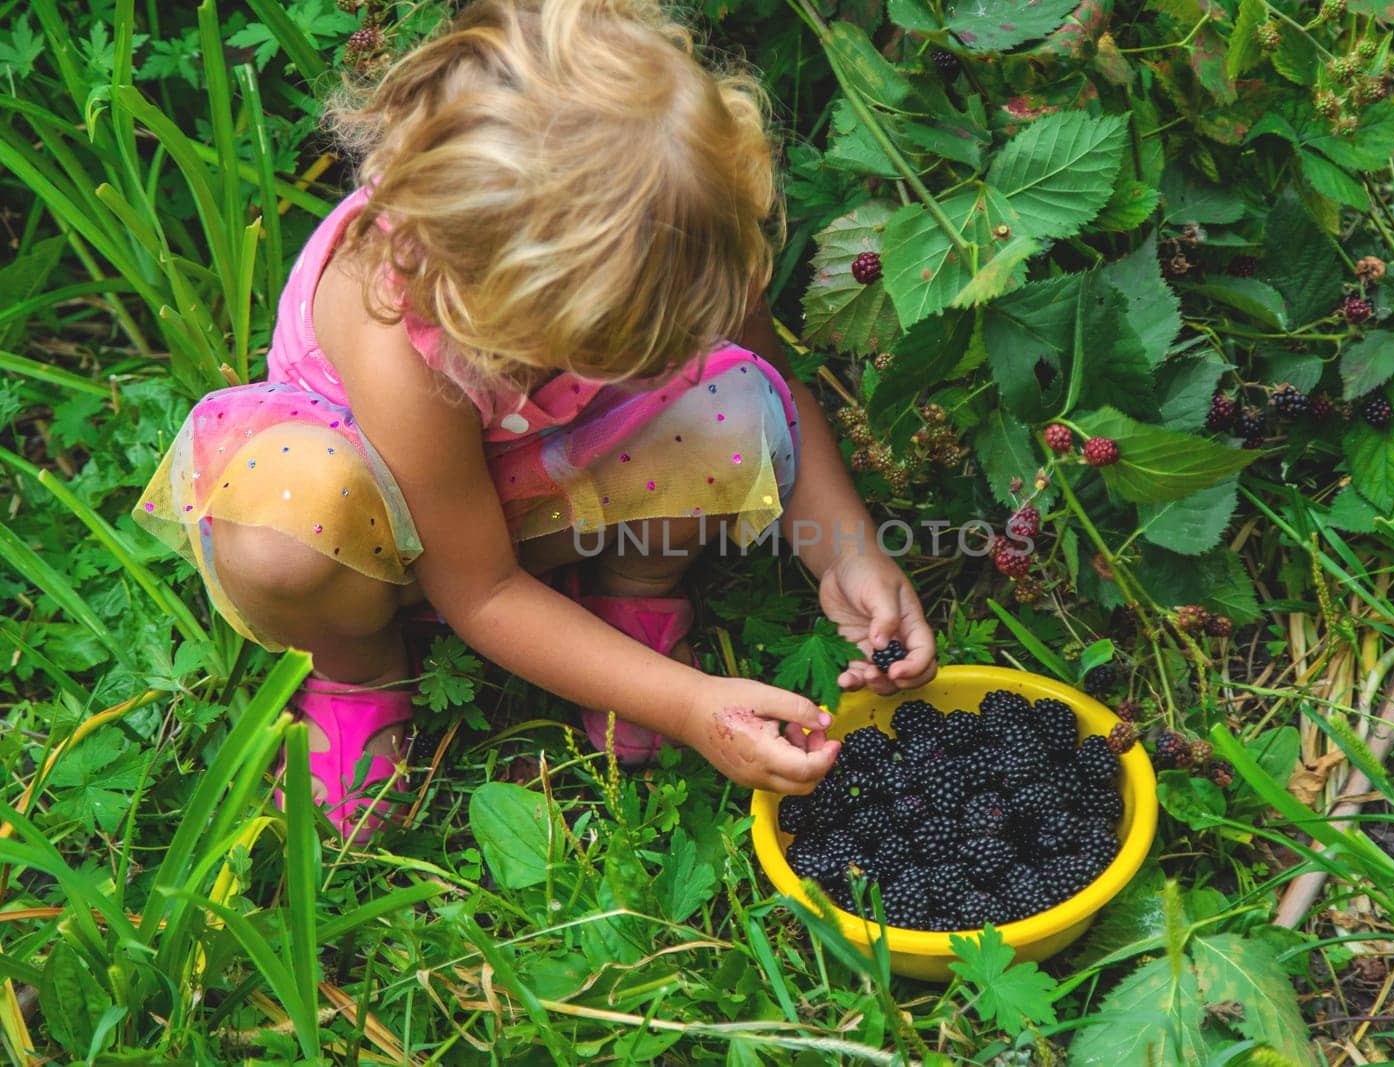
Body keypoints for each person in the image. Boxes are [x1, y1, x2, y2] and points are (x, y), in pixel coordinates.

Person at [134, 0, 935, 840]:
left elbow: (776, 385)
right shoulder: (394, 335)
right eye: (613, 348)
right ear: (491, 297)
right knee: (285, 536)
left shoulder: (674, 229)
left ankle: (633, 597)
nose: (647, 365)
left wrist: (853, 555)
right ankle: (356, 667)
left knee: (731, 395)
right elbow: (481, 590)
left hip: (538, 477)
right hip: (395, 522)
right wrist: (695, 707)